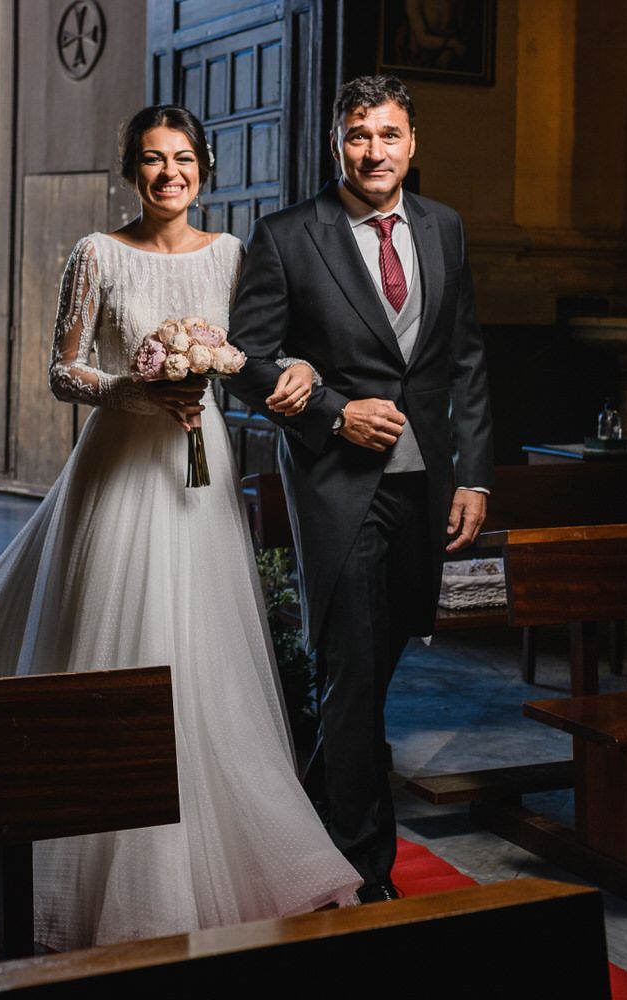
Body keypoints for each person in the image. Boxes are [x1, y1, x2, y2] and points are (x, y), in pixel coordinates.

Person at [0, 104, 360, 950]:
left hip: (199, 466)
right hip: (119, 466)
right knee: (113, 642)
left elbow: (264, 351)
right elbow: (62, 367)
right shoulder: (96, 254)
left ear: (205, 167)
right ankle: (96, 851)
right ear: (131, 170)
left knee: (204, 646)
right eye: (153, 160)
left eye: (184, 158)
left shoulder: (234, 255)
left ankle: (222, 836)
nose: (170, 174)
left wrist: (287, 367)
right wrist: (130, 388)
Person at [227, 74, 493, 902]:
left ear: (412, 145)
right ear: (335, 142)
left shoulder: (445, 228)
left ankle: (304, 813)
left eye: (388, 135)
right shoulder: (288, 236)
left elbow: (466, 360)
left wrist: (475, 476)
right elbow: (246, 362)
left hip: (428, 485)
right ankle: (361, 870)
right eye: (357, 135)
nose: (373, 151)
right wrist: (337, 414)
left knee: (377, 664)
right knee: (350, 668)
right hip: (337, 487)